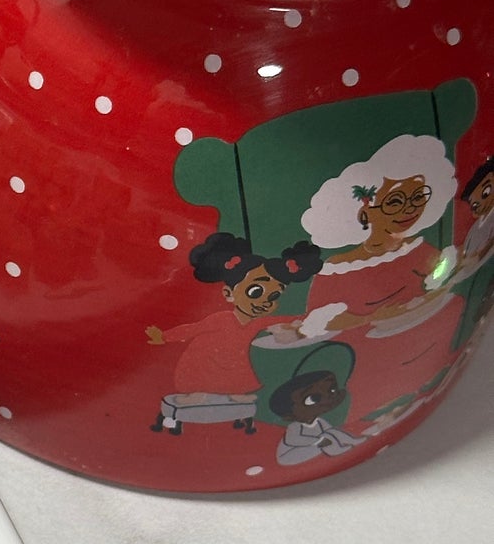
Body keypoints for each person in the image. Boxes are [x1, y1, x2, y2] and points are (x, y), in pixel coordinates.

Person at [298, 133, 459, 433]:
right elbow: (317, 323)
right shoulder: (337, 269)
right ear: (365, 210)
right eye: (395, 201)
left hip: (426, 337)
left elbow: (439, 274)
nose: (408, 210)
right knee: (373, 410)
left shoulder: (416, 248)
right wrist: (371, 317)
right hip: (373, 354)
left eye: (417, 197)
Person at [147, 232, 322, 434]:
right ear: (228, 294)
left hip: (233, 362)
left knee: (238, 381)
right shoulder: (220, 319)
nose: (265, 302)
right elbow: (193, 329)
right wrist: (164, 336)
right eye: (255, 292)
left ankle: (234, 395)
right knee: (198, 383)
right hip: (204, 359)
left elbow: (276, 320)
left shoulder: (256, 323)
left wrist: (305, 318)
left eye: (274, 295)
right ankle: (194, 396)